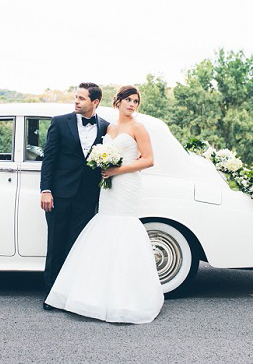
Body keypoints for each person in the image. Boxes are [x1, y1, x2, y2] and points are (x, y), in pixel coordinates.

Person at [44, 85, 164, 323]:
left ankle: (125, 296)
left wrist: (117, 169)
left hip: (125, 185)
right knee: (95, 235)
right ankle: (78, 292)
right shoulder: (108, 128)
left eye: (135, 101)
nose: (132, 104)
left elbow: (149, 160)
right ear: (117, 102)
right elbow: (54, 158)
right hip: (104, 190)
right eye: (128, 100)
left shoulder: (138, 127)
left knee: (122, 232)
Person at [40, 82, 110, 310]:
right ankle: (52, 294)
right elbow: (49, 159)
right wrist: (46, 190)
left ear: (95, 102)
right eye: (76, 97)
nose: (76, 101)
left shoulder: (106, 128)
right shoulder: (60, 122)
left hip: (88, 196)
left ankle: (72, 293)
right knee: (56, 243)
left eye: (81, 98)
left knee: (77, 246)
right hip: (59, 194)